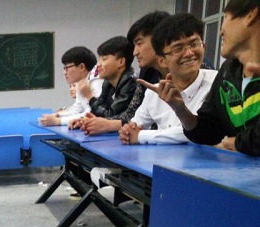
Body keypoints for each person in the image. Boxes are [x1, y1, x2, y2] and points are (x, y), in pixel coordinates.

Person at [138, 0, 260, 155]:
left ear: (251, 15)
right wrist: (181, 110)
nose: (220, 31)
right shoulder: (228, 71)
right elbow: (210, 131)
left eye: (226, 17)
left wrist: (237, 143)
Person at [119, 13, 217, 144]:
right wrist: (127, 131)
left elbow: (201, 131)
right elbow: (134, 126)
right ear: (162, 60)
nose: (189, 53)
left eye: (194, 44)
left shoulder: (217, 83)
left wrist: (142, 136)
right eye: (178, 49)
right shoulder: (154, 92)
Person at [78, 11, 170, 136]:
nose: (135, 52)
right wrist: (93, 122)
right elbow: (134, 114)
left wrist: (106, 122)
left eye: (139, 43)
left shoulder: (131, 80)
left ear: (159, 39)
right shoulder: (146, 73)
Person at [70, 36, 137, 129]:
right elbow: (99, 111)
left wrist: (90, 97)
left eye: (104, 59)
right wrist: (84, 120)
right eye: (99, 59)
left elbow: (111, 116)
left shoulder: (130, 82)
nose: (98, 64)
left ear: (121, 62)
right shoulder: (108, 82)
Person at [39, 46, 102, 126]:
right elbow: (77, 109)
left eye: (67, 68)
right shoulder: (81, 82)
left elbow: (92, 114)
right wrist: (57, 115)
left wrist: (58, 121)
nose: (64, 72)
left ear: (81, 67)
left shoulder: (96, 82)